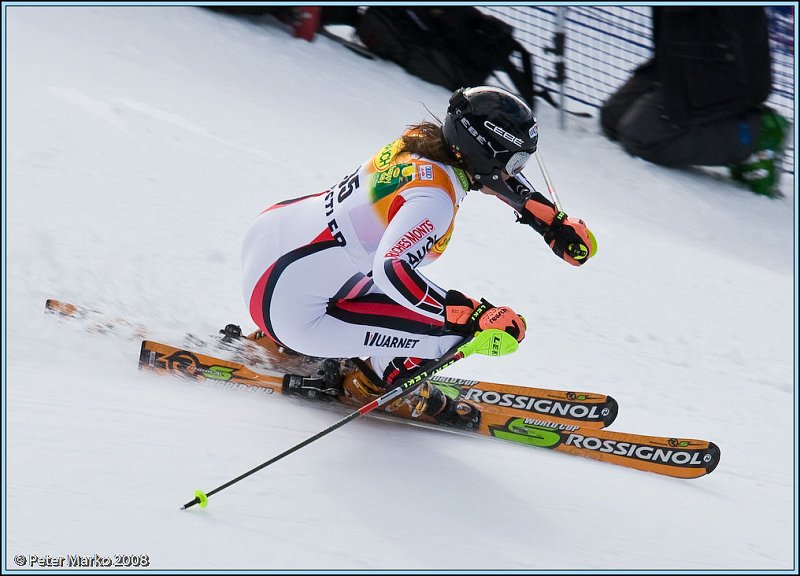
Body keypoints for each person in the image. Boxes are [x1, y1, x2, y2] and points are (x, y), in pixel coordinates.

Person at [239, 86, 595, 427]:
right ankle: (370, 384)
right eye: (516, 162)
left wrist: (548, 220)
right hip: (289, 308)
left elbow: (489, 171)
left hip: (273, 244)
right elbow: (392, 270)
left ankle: (290, 340)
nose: (516, 174)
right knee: (456, 332)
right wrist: (469, 315)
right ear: (485, 152)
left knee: (359, 262)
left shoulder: (421, 142)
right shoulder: (434, 201)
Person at [600, 6, 790, 198]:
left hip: (726, 72)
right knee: (613, 118)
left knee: (640, 136)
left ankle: (754, 135)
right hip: (679, 59)